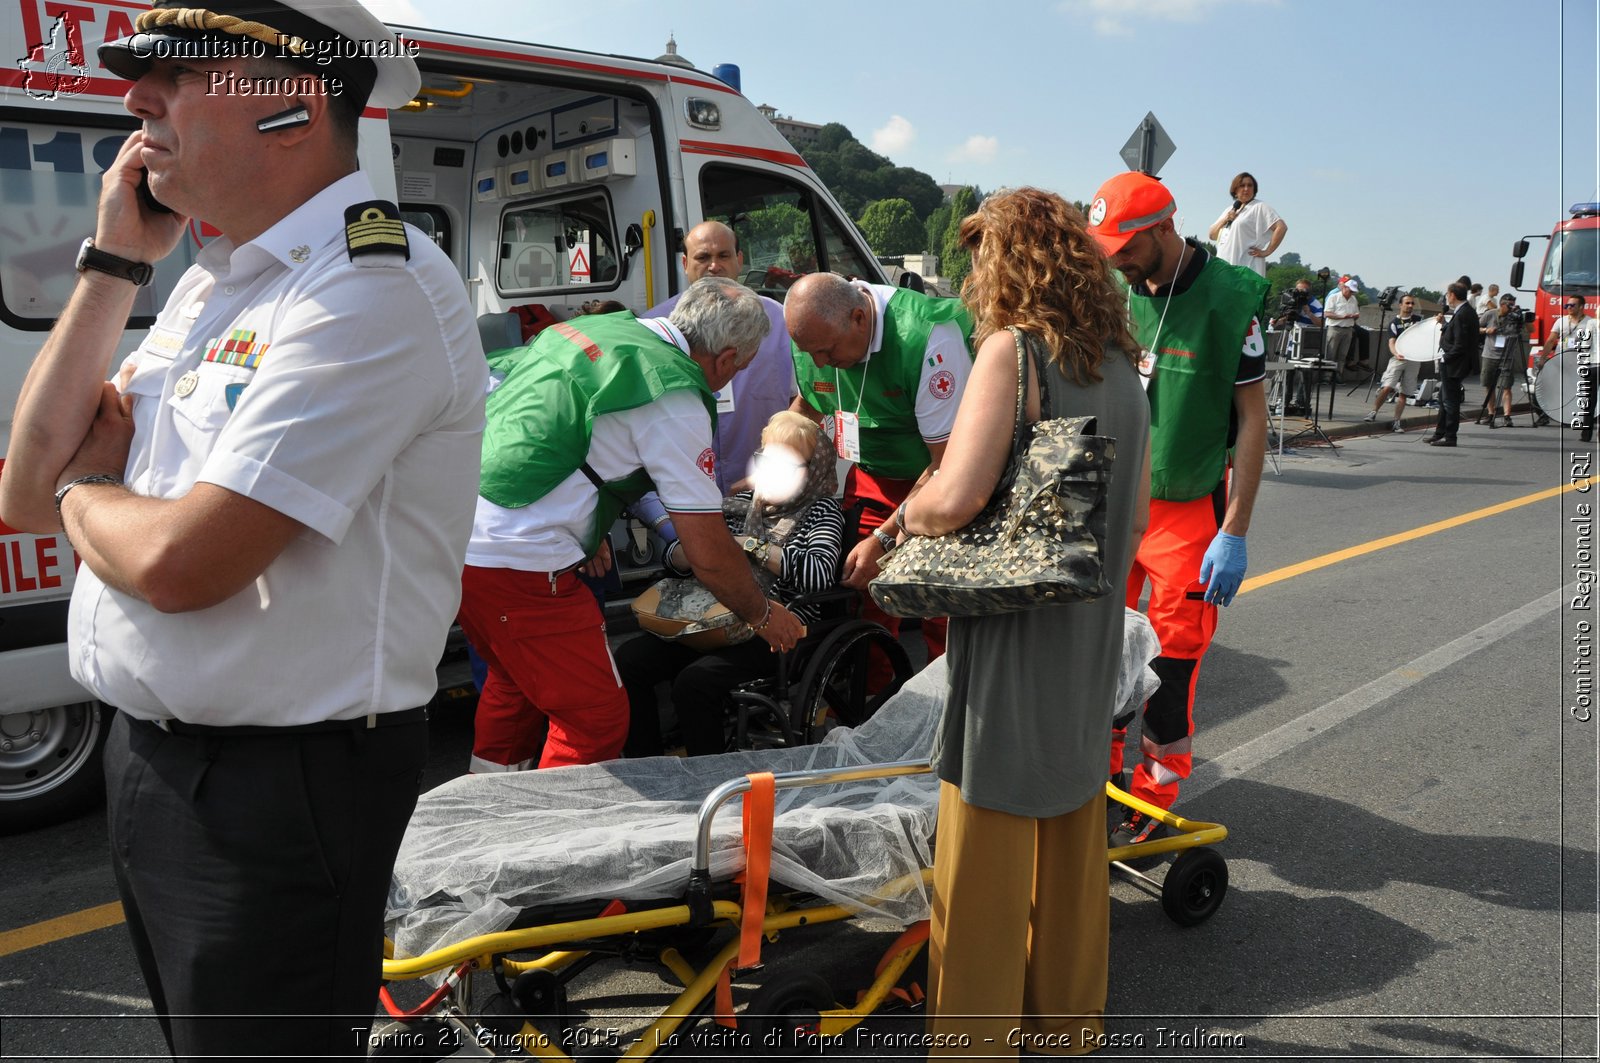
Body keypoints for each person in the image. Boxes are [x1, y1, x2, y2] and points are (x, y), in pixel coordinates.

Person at [0, 2, 488, 1057]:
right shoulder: (211, 288)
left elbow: (185, 563)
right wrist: (112, 266)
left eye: (175, 75)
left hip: (283, 790)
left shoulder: (370, 281)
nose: (137, 100)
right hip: (156, 762)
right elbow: (29, 489)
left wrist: (92, 487)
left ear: (291, 107)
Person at [897, 187, 1149, 1055]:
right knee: (1074, 850)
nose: (972, 272)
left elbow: (959, 496)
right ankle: (1065, 1031)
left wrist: (913, 513)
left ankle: (975, 1043)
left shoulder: (1013, 352)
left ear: (1011, 260)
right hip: (1090, 631)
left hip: (1018, 634)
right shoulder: (1121, 361)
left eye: (980, 254)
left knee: (983, 872)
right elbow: (1136, 513)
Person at [461, 278, 805, 772]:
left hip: (465, 531)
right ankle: (541, 840)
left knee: (513, 685)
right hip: (524, 560)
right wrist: (762, 614)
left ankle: (482, 810)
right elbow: (707, 549)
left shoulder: (595, 330)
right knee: (595, 718)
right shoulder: (673, 392)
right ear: (727, 359)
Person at [1086, 170, 1269, 843]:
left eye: (1127, 248)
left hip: (1188, 513)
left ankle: (1153, 799)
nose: (1118, 263)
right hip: (1114, 505)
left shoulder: (1231, 300)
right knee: (1102, 650)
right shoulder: (1116, 291)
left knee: (1167, 670)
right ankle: (1093, 776)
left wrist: (1236, 528)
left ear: (1164, 227)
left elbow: (1253, 421)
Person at [784, 271, 975, 682]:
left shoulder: (927, 336)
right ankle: (871, 705)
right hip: (872, 477)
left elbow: (948, 462)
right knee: (864, 592)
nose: (819, 362)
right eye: (809, 351)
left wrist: (887, 537)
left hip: (941, 482)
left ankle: (943, 711)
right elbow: (806, 407)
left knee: (937, 603)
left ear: (859, 318)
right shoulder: (816, 338)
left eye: (828, 350)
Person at [617, 412, 844, 757]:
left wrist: (749, 545)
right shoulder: (737, 504)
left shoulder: (821, 510)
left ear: (812, 471)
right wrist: (688, 554)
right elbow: (678, 557)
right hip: (712, 617)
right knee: (630, 660)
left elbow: (817, 573)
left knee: (695, 683)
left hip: (778, 627)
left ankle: (707, 779)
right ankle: (646, 764)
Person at [640, 220, 796, 493]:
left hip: (763, 491)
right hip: (681, 493)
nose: (714, 266)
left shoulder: (780, 322)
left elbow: (804, 401)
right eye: (703, 257)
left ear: (739, 260)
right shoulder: (652, 327)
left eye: (723, 255)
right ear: (686, 263)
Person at [1428, 281, 1479, 447]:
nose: (1446, 298)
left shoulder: (1464, 313)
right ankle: (1440, 433)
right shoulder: (1464, 311)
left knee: (1450, 401)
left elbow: (1461, 343)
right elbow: (1456, 334)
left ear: (1452, 295)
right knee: (1444, 399)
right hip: (1454, 363)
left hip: (1454, 364)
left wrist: (1445, 358)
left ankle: (1450, 437)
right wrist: (1444, 325)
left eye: (1447, 294)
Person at [1363, 294, 1424, 431]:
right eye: (1407, 303)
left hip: (1414, 359)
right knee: (1387, 386)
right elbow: (1392, 341)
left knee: (1404, 392)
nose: (1410, 306)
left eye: (1412, 303)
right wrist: (1396, 353)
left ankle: (1396, 421)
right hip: (1399, 358)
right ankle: (1374, 411)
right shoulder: (1394, 323)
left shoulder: (1418, 320)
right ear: (1400, 305)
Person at [1208, 171, 1286, 277]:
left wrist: (1267, 251)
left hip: (1246, 270)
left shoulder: (1259, 207)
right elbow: (1212, 235)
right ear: (1235, 190)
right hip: (1225, 270)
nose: (1246, 189)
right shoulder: (1229, 210)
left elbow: (1281, 227)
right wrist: (1225, 219)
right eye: (1242, 185)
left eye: (1250, 185)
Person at [1548, 296, 1596, 440]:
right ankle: (1565, 417)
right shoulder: (1560, 321)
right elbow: (1551, 340)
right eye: (1567, 305)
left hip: (1583, 362)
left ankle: (1581, 422)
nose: (1568, 307)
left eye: (1572, 305)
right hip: (1562, 361)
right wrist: (1544, 357)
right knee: (1563, 390)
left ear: (1581, 307)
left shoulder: (1590, 323)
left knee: (1583, 394)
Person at [1483, 293, 1526, 428]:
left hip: (1507, 356)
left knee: (1506, 387)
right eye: (1510, 305)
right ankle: (1491, 414)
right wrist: (1486, 330)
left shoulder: (1515, 317)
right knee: (1489, 386)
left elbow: (1531, 330)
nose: (1512, 307)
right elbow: (1475, 327)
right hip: (1490, 355)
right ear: (1502, 304)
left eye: (1513, 304)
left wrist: (1523, 319)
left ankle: (1507, 416)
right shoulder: (1490, 314)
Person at [1324, 274, 1364, 372]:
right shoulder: (1333, 297)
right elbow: (1327, 313)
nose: (1351, 293)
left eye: (1353, 292)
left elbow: (1356, 312)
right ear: (1345, 287)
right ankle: (1327, 376)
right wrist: (1342, 316)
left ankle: (1338, 375)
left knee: (1342, 355)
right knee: (1331, 354)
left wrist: (1355, 316)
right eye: (1350, 291)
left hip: (1348, 328)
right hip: (1335, 328)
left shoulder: (1353, 299)